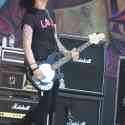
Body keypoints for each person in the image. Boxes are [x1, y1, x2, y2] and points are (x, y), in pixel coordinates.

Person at [19, 0, 79, 125]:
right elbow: (26, 45)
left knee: (51, 106)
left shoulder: (50, 13)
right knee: (45, 104)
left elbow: (55, 39)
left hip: (53, 65)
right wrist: (34, 68)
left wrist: (67, 53)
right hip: (39, 65)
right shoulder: (30, 17)